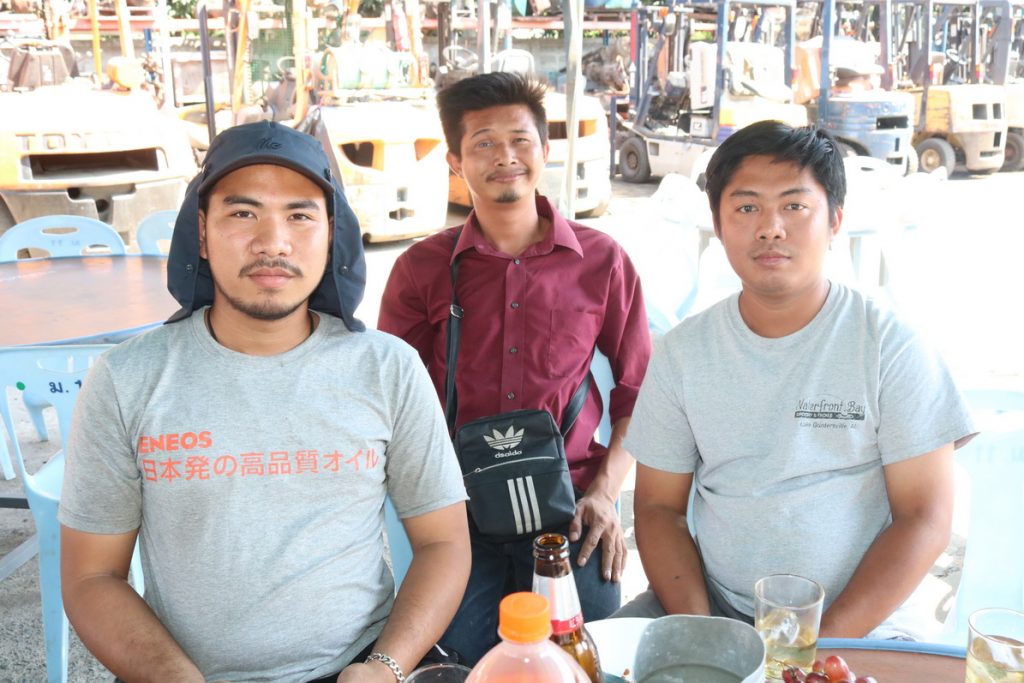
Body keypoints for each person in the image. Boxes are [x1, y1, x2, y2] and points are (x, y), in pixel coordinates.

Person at [58, 121, 471, 683]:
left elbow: (444, 542)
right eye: (242, 213)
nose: (273, 242)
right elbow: (92, 576)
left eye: (300, 215)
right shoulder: (126, 378)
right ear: (202, 233)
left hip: (358, 666)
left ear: (332, 233)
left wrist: (385, 667)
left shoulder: (388, 368)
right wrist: (172, 676)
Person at [615, 121, 976, 640]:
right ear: (718, 225)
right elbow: (657, 508)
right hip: (717, 607)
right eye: (746, 208)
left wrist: (816, 650)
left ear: (835, 221)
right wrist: (706, 634)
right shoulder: (682, 353)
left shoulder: (889, 346)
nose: (771, 228)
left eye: (795, 206)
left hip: (867, 624)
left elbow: (924, 517)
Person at [377, 72, 651, 663]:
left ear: (544, 150)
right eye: (484, 143)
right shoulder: (421, 270)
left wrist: (606, 493)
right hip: (458, 512)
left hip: (570, 508)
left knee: (581, 655)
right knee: (460, 660)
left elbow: (640, 391)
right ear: (455, 161)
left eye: (520, 140)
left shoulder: (602, 261)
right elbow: (391, 401)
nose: (505, 157)